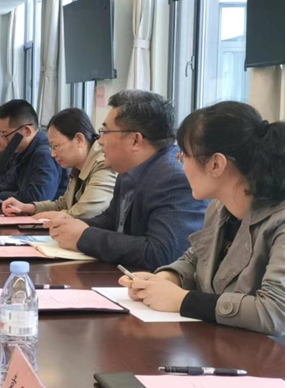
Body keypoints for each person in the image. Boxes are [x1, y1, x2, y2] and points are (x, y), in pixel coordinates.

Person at [119, 102, 284, 335]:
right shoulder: (219, 207)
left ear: (216, 164)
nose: (182, 165)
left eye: (184, 156)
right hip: (220, 342)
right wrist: (168, 278)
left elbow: (275, 312)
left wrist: (183, 300)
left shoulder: (280, 221)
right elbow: (196, 258)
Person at [46, 90, 207, 271]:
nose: (100, 141)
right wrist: (73, 225)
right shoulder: (128, 170)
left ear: (135, 140)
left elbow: (161, 253)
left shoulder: (174, 179)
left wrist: (84, 236)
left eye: (105, 132)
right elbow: (111, 220)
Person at [1, 108, 116, 219]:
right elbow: (63, 205)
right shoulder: (78, 167)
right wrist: (26, 207)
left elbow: (85, 213)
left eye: (55, 146)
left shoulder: (104, 164)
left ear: (79, 140)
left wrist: (44, 217)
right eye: (51, 147)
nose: (52, 154)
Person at [0, 100, 68, 203]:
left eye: (3, 134)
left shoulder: (44, 154)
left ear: (26, 131)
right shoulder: (23, 151)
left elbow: (38, 198)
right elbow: (11, 182)